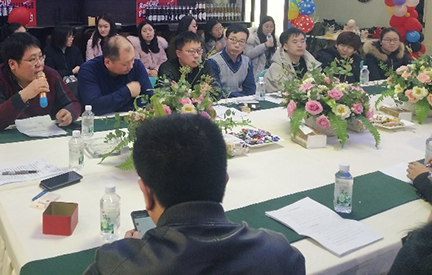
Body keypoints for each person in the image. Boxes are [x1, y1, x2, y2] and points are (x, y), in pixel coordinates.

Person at [83, 114, 306, 275]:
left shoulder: (115, 265)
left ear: (146, 193)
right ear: (225, 180)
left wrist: (133, 254)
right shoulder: (280, 254)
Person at [0, 32, 81, 131]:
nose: (39, 64)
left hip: (43, 133)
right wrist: (24, 95)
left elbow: (73, 103)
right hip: (8, 137)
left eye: (41, 57)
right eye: (32, 59)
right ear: (12, 64)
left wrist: (69, 113)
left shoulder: (50, 75)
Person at [78, 36, 153, 115]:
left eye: (132, 60)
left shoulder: (137, 66)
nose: (131, 66)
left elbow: (150, 98)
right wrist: (127, 92)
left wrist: (110, 103)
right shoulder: (89, 70)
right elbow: (93, 106)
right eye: (125, 64)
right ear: (108, 62)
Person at [264, 27, 321, 92]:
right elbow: (283, 91)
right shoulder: (276, 67)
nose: (300, 45)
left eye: (302, 41)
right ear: (285, 46)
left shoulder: (311, 62)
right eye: (295, 42)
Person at [208, 24, 256, 97]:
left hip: (243, 102)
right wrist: (238, 97)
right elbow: (216, 90)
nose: (237, 45)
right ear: (226, 40)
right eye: (233, 40)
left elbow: (250, 90)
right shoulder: (213, 61)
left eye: (241, 41)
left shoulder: (247, 62)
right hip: (221, 101)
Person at [245, 15, 277, 80]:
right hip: (255, 73)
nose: (269, 29)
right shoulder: (252, 38)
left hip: (270, 74)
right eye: (266, 26)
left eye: (271, 27)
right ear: (261, 26)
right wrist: (264, 45)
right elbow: (248, 54)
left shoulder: (275, 39)